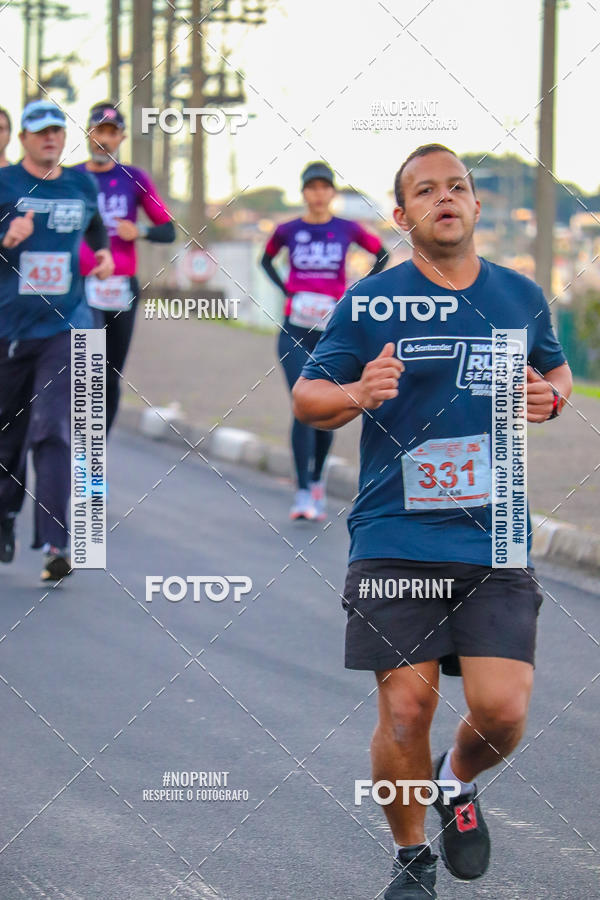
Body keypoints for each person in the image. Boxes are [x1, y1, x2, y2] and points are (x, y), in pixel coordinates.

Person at [293, 144, 572, 898]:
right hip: (394, 533)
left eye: (457, 187)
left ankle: (457, 781)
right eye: (425, 189)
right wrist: (359, 390)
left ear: (476, 206)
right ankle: (412, 856)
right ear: (403, 214)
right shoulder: (373, 301)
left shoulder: (519, 295)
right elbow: (307, 400)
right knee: (408, 705)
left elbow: (554, 369)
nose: (443, 197)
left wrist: (551, 397)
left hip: (496, 532)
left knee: (502, 712)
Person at [0, 100, 113, 582]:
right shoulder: (4, 184)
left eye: (56, 131)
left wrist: (104, 251)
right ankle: (4, 516)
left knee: (52, 426)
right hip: (9, 329)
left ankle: (55, 542)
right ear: (23, 139)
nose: (50, 138)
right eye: (39, 131)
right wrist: (6, 235)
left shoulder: (80, 182)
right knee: (8, 438)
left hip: (67, 325)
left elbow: (94, 223)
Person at [261, 161, 388, 521]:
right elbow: (265, 260)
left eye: (324, 187)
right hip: (294, 329)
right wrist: (287, 288)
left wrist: (357, 291)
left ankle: (317, 480)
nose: (318, 194)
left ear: (332, 192)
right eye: (311, 188)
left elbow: (382, 253)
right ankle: (302, 492)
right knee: (302, 406)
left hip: (333, 333)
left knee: (327, 408)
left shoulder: (347, 229)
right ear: (304, 193)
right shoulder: (288, 230)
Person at [74, 102, 175, 434]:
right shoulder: (72, 178)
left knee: (110, 374)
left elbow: (168, 229)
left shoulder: (134, 178)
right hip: (81, 287)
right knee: (87, 368)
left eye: (111, 133)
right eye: (98, 131)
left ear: (121, 138)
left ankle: (97, 446)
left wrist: (142, 231)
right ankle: (80, 443)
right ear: (89, 133)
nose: (104, 139)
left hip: (121, 288)